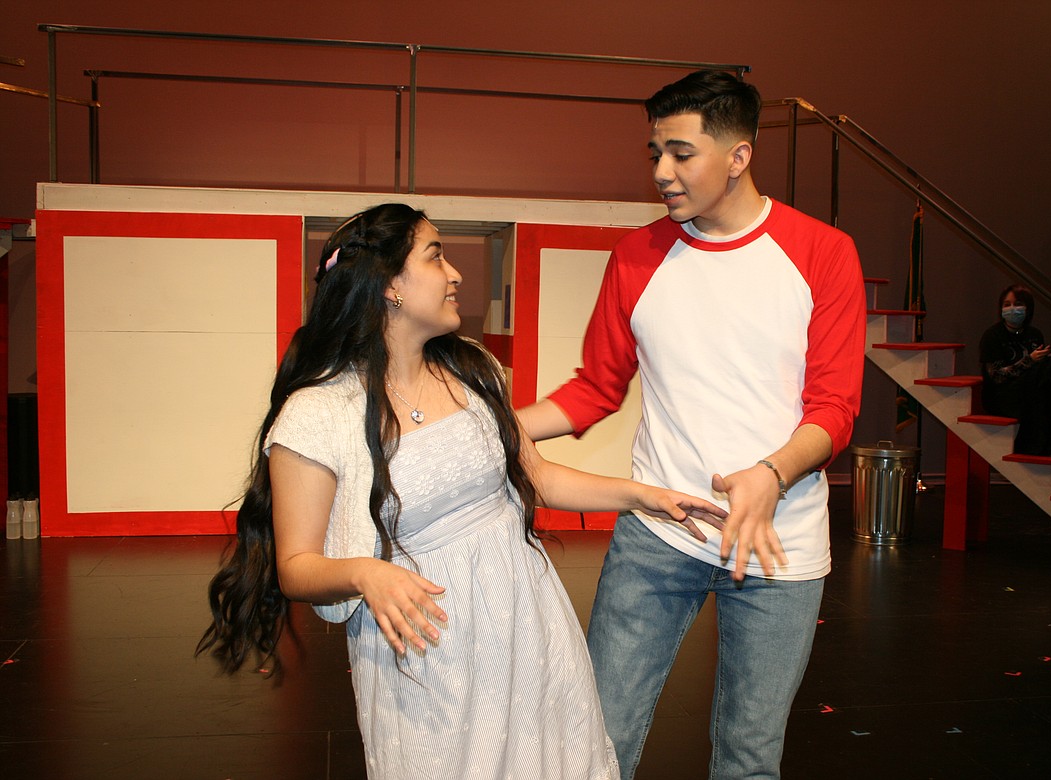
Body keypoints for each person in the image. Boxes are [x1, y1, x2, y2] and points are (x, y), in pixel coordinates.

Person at [196, 203, 729, 780]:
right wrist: (365, 574)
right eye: (435, 255)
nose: (455, 273)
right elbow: (296, 566)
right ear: (389, 287)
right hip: (427, 638)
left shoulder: (474, 371)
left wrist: (642, 495)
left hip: (526, 613)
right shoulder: (320, 412)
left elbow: (539, 477)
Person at [518, 70, 866, 778]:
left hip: (779, 546)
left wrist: (771, 474)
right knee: (598, 736)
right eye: (654, 154)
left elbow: (834, 408)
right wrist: (488, 422)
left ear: (739, 156)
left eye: (681, 153)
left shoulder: (822, 253)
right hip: (659, 536)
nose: (662, 173)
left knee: (748, 754)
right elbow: (595, 389)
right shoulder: (638, 256)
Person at [979, 283, 1051, 469]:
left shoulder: (1034, 334)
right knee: (1050, 374)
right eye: (1007, 304)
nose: (1012, 309)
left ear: (1028, 308)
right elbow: (997, 376)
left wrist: (1044, 357)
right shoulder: (993, 336)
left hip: (1031, 388)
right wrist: (1029, 360)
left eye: (1017, 304)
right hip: (1003, 394)